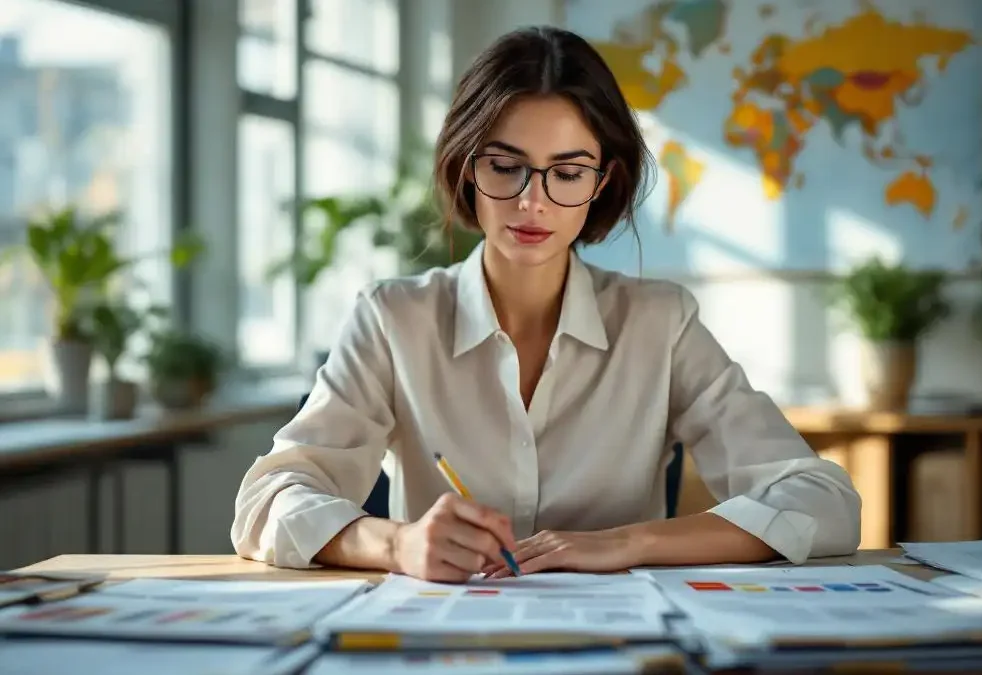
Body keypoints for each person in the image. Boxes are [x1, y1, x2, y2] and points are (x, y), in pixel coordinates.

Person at [231, 26, 861, 581]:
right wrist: (399, 543)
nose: (533, 202)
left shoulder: (660, 324)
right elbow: (269, 500)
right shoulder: (395, 318)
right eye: (507, 166)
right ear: (466, 168)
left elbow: (821, 501)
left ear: (602, 182)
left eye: (567, 172)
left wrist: (626, 543)